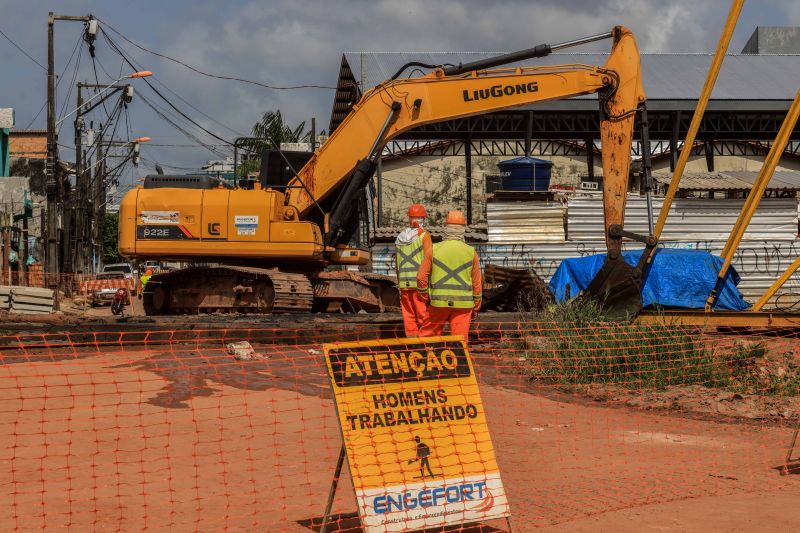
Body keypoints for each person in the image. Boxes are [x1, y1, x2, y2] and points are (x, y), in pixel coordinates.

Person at [417, 210, 481, 340]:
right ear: (463, 229)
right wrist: (476, 305)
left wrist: (425, 297)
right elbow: (477, 283)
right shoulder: (471, 252)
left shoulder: (433, 250)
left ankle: (423, 358)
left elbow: (420, 277)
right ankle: (459, 360)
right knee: (459, 342)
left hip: (438, 303)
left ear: (445, 228)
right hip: (463, 305)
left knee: (427, 338)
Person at [395, 204, 432, 337]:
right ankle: (424, 342)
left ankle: (411, 342)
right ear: (423, 218)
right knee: (423, 314)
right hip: (419, 284)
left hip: (404, 284)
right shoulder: (424, 236)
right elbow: (429, 260)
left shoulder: (399, 237)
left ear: (409, 218)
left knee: (408, 315)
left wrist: (399, 281)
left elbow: (397, 264)